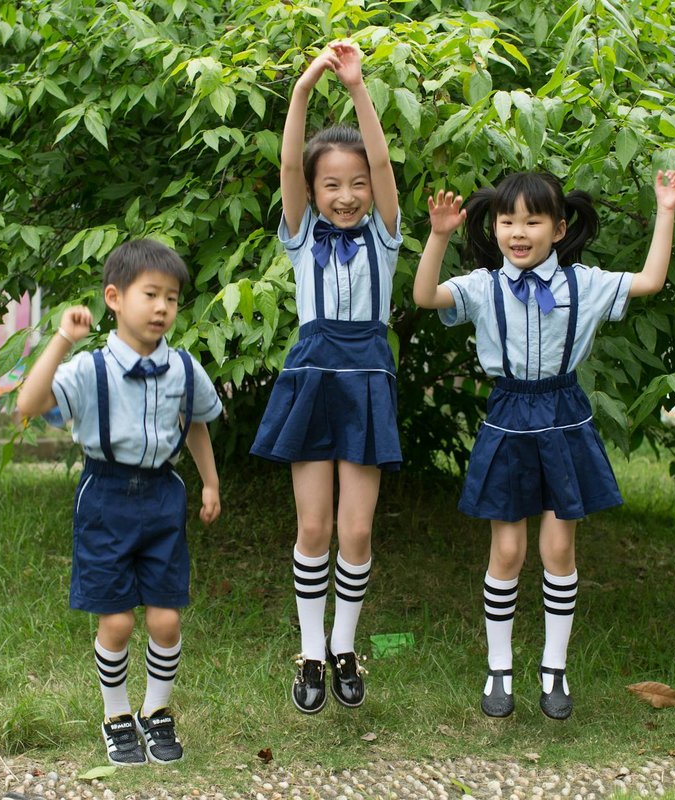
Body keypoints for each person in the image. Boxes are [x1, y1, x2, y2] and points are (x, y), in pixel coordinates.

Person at [412, 169, 675, 720]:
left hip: (564, 415)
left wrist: (665, 210)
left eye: (533, 221)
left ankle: (554, 670)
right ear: (494, 228)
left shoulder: (583, 284)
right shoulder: (484, 285)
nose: (518, 231)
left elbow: (652, 280)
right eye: (507, 220)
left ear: (559, 229)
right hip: (509, 416)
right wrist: (439, 235)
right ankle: (499, 670)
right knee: (508, 552)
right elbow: (424, 296)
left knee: (559, 550)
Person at [17, 239, 222, 765]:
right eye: (150, 294)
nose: (162, 308)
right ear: (114, 297)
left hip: (163, 497)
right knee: (117, 623)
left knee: (165, 620)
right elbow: (28, 405)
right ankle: (116, 716)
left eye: (172, 298)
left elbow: (196, 422)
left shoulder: (183, 367)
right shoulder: (91, 370)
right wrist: (63, 338)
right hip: (105, 497)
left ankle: (156, 713)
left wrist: (210, 483)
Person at [249, 40, 403, 714]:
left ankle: (345, 645)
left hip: (367, 378)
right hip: (312, 377)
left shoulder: (385, 235)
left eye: (356, 183)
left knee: (357, 533)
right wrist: (306, 88)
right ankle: (310, 652)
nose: (346, 195)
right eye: (330, 185)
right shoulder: (301, 233)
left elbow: (383, 159)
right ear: (313, 193)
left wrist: (359, 87)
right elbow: (288, 159)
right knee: (313, 530)